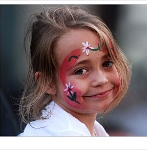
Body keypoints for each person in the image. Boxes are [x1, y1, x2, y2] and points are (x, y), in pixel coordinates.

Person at [19, 5, 131, 136]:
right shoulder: (67, 135)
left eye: (107, 63)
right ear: (48, 82)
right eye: (81, 71)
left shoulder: (89, 129)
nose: (101, 80)